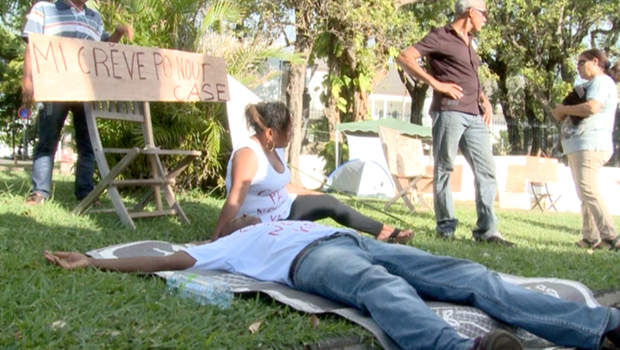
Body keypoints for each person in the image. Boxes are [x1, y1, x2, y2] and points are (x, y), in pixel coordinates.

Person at [45, 216, 620, 350]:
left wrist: (379, 228)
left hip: (352, 240)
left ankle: (600, 327)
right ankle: (457, 349)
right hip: (313, 264)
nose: (252, 214)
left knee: (470, 275)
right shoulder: (221, 244)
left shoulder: (293, 212)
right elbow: (165, 259)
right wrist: (95, 262)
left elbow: (328, 203)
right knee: (380, 290)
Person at [395, 0, 514, 247]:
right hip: (449, 112)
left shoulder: (470, 42)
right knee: (444, 169)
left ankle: (487, 230)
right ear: (471, 12)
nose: (486, 18)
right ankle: (446, 227)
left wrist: (484, 99)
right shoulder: (441, 36)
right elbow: (405, 57)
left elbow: (469, 75)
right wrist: (437, 84)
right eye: (484, 13)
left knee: (487, 170)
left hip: (474, 115)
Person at [210, 101, 412, 243]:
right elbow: (234, 199)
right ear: (270, 133)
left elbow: (283, 186)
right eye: (287, 130)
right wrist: (216, 237)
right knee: (322, 237)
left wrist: (318, 195)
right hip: (262, 223)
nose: (291, 134)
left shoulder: (275, 148)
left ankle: (383, 231)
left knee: (330, 203)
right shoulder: (248, 155)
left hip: (285, 209)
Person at [21, 0, 134, 205]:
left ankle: (86, 193)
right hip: (54, 87)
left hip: (85, 91)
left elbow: (101, 50)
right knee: (47, 140)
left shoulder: (94, 18)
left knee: (88, 144)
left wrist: (117, 34)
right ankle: (39, 192)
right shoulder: (44, 10)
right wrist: (27, 81)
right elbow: (32, 45)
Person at [552, 50, 620, 250]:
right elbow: (564, 115)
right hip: (578, 145)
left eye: (581, 62)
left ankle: (611, 238)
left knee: (589, 190)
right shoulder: (586, 86)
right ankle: (589, 237)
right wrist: (563, 110)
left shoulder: (602, 81)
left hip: (591, 144)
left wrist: (564, 109)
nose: (578, 67)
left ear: (595, 61)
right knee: (585, 192)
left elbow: (592, 107)